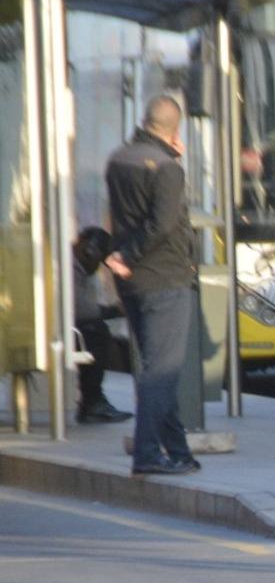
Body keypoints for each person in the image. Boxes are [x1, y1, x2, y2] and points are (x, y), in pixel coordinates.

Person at [105, 94, 202, 477]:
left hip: (132, 283)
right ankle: (147, 453)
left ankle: (177, 449)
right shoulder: (167, 169)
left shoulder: (119, 158)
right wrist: (129, 254)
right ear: (175, 130)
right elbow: (162, 225)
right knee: (162, 371)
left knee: (154, 365)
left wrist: (122, 258)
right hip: (164, 278)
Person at [72, 226, 133, 424]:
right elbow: (81, 309)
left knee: (99, 332)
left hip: (70, 325)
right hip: (60, 328)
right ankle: (92, 402)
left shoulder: (83, 269)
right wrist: (114, 311)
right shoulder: (70, 267)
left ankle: (93, 399)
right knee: (96, 333)